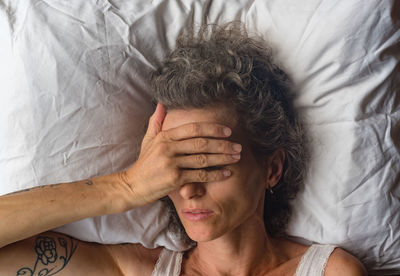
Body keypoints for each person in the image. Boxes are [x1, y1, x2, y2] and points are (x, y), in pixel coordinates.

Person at [0, 23, 367, 276]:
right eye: (176, 166)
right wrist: (125, 187)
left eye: (209, 165)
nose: (189, 189)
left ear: (271, 169)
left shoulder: (330, 271)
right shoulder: (132, 269)